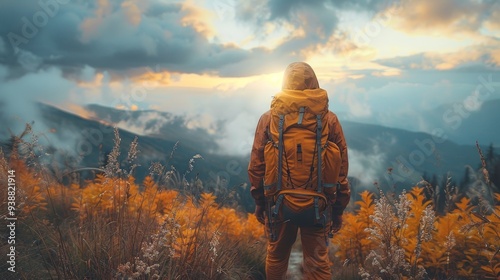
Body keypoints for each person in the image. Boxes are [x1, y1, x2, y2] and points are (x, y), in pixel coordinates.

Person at [248, 62, 350, 279]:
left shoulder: (269, 118)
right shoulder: (329, 120)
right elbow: (341, 170)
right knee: (317, 262)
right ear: (314, 83)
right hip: (320, 204)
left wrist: (259, 202)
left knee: (276, 257)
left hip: (277, 204)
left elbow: (257, 165)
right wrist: (338, 209)